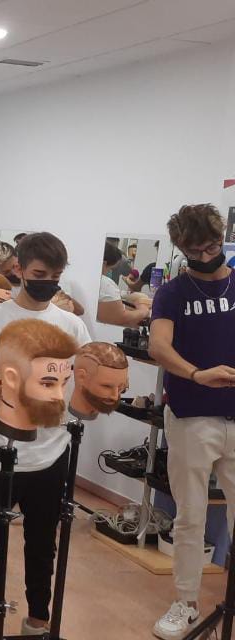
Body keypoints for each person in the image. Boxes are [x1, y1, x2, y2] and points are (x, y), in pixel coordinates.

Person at [0, 232, 91, 640]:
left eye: (57, 275)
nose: (49, 281)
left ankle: (38, 619)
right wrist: (10, 373)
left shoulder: (70, 324)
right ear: (20, 271)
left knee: (42, 543)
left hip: (52, 450)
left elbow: (88, 369)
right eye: (40, 274)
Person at [149, 204, 235, 640]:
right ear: (182, 250)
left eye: (212, 247)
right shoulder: (173, 292)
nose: (206, 256)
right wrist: (198, 374)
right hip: (190, 415)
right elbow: (159, 347)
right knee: (190, 516)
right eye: (196, 251)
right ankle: (184, 603)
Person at [97, 242, 150, 327]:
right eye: (110, 268)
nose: (109, 271)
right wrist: (143, 311)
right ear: (104, 264)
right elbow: (121, 317)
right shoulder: (105, 283)